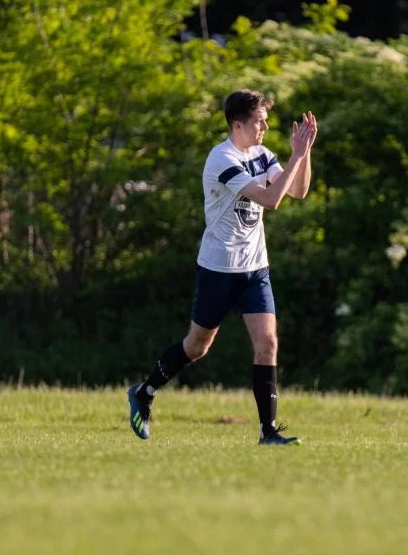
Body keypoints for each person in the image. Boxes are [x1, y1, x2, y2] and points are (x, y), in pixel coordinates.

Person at [128, 89, 317, 445]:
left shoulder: (262, 155)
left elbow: (298, 192)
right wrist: (295, 155)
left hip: (255, 269)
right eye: (259, 121)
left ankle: (268, 432)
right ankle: (145, 391)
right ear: (238, 124)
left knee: (268, 343)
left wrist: (302, 156)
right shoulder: (222, 159)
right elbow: (271, 199)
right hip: (218, 269)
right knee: (197, 347)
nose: (264, 127)